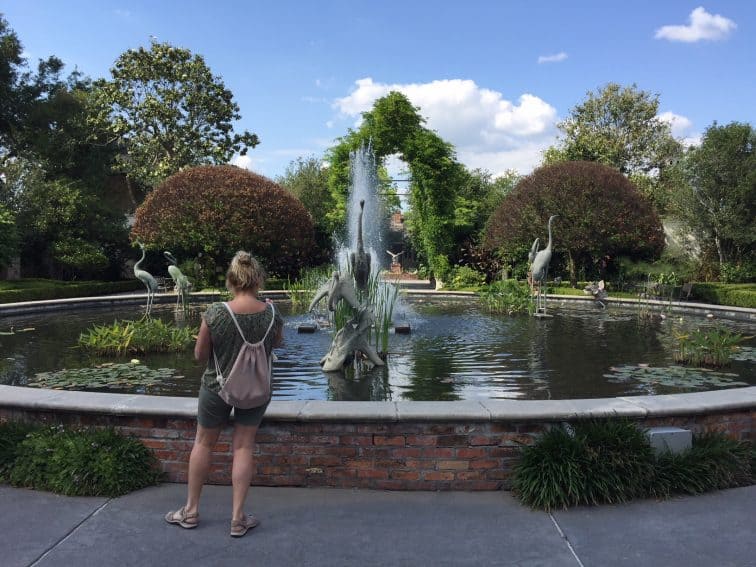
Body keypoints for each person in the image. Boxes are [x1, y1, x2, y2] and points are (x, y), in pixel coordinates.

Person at [165, 251, 284, 537]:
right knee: (243, 446)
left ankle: (191, 512)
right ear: (258, 280)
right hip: (257, 389)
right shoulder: (272, 312)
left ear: (231, 280)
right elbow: (277, 345)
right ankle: (237, 518)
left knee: (204, 443)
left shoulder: (217, 313)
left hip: (217, 387)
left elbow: (199, 354)